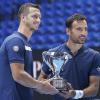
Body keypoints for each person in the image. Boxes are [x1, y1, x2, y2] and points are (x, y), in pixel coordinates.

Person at [0, 3, 59, 100]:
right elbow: (18, 75)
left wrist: (45, 87)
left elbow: (26, 81)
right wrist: (40, 85)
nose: (38, 20)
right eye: (34, 17)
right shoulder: (15, 41)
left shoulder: (25, 44)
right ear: (23, 17)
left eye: (39, 17)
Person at [38, 13, 100, 100]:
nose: (84, 33)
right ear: (68, 31)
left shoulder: (94, 56)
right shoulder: (52, 53)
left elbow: (94, 88)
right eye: (79, 29)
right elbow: (41, 79)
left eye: (85, 29)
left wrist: (74, 94)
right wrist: (53, 83)